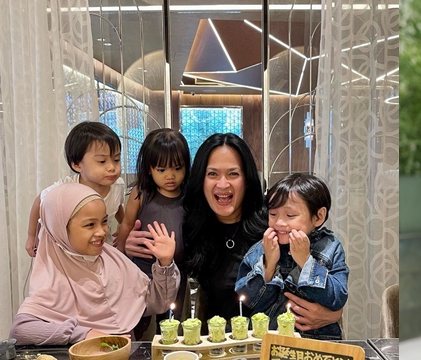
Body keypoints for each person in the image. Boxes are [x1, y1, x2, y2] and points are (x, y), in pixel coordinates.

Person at [126, 133, 344, 334]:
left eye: (233, 173)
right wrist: (129, 247)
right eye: (212, 174)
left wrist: (333, 314)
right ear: (201, 180)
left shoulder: (274, 226)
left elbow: (316, 275)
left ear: (247, 179)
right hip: (216, 344)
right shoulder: (188, 225)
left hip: (271, 344)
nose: (223, 184)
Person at [11, 183, 179, 345]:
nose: (102, 232)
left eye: (104, 221)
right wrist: (83, 334)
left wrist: (165, 263)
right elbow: (21, 330)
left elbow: (159, 303)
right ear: (60, 228)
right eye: (90, 224)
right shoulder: (52, 275)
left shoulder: (114, 261)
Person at [235, 173, 348, 340]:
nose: (279, 223)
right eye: (273, 214)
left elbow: (337, 298)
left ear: (319, 216)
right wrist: (268, 265)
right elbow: (246, 299)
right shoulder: (263, 247)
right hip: (266, 339)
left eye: (290, 215)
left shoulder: (330, 247)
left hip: (317, 343)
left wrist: (306, 262)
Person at [115, 129, 190, 339]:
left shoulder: (189, 196)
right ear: (149, 168)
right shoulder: (141, 193)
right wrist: (119, 258)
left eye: (177, 168)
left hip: (176, 273)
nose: (170, 175)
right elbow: (126, 226)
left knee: (171, 324)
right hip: (141, 271)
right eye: (162, 169)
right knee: (137, 322)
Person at [25, 121, 127, 256]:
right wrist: (31, 237)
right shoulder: (66, 188)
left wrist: (123, 225)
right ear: (77, 165)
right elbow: (39, 202)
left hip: (98, 245)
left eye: (116, 159)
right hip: (67, 250)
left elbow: (116, 205)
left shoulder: (117, 185)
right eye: (102, 161)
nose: (112, 167)